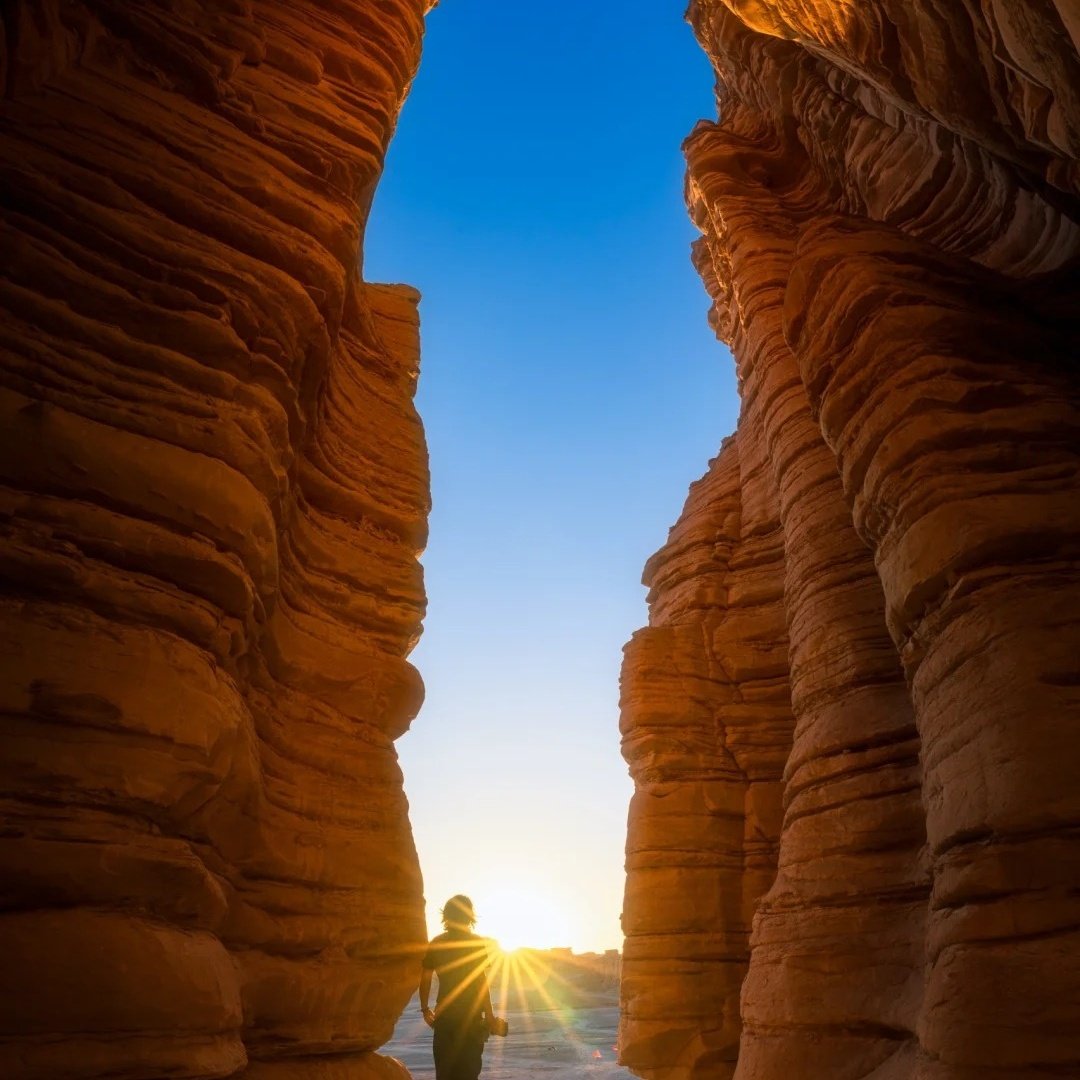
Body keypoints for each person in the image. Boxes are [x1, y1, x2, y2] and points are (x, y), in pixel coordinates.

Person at [419, 894, 503, 1080]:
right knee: (468, 1074)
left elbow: (425, 978)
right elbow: (481, 981)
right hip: (471, 1019)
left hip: (444, 1018)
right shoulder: (475, 942)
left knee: (445, 1074)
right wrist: (489, 1015)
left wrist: (425, 1009)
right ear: (469, 916)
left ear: (446, 916)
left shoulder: (437, 942)